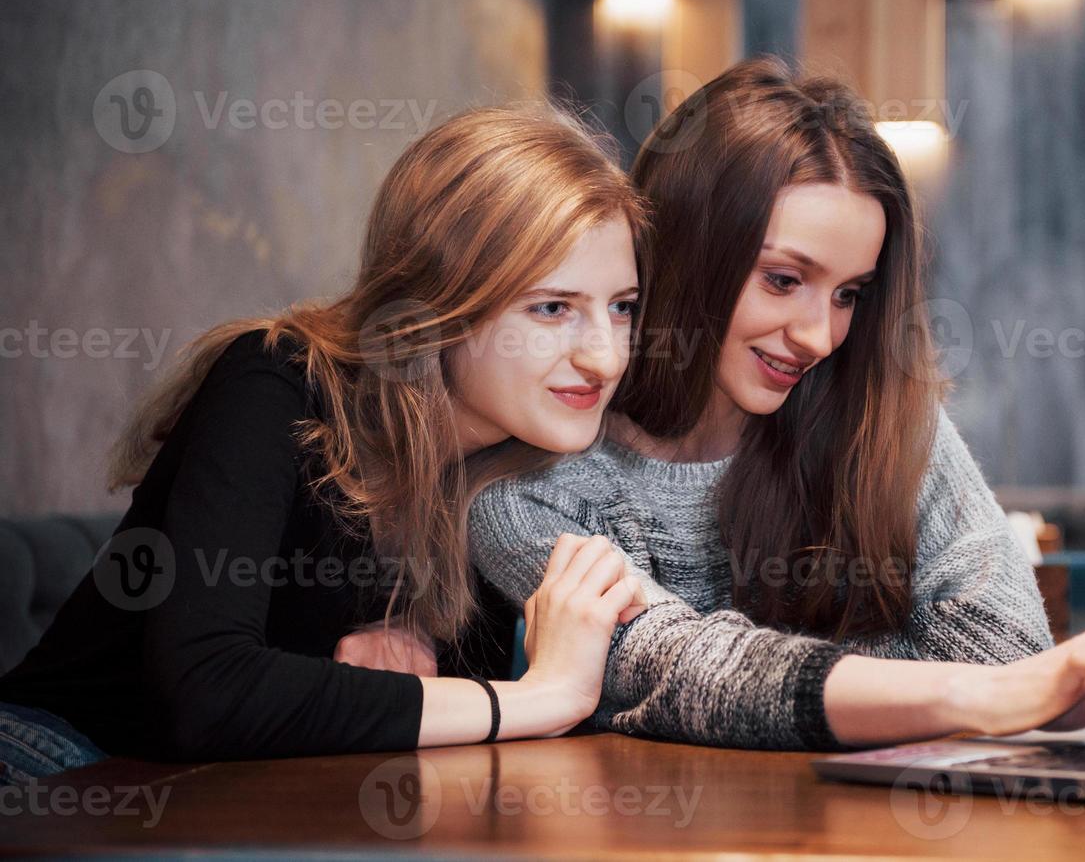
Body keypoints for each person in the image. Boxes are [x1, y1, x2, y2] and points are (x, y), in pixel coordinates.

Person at [468, 58, 1085, 751]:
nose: (819, 336)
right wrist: (954, 690)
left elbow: (1006, 649)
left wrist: (975, 690)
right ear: (686, 251)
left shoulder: (882, 413)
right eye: (782, 280)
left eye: (848, 295)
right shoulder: (533, 481)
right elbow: (682, 672)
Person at [0, 108, 649, 786]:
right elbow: (202, 694)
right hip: (50, 759)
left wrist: (395, 661)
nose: (605, 358)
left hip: (243, 798)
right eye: (552, 308)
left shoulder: (516, 465)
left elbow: (428, 719)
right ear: (437, 309)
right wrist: (541, 696)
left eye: (622, 307)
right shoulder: (274, 380)